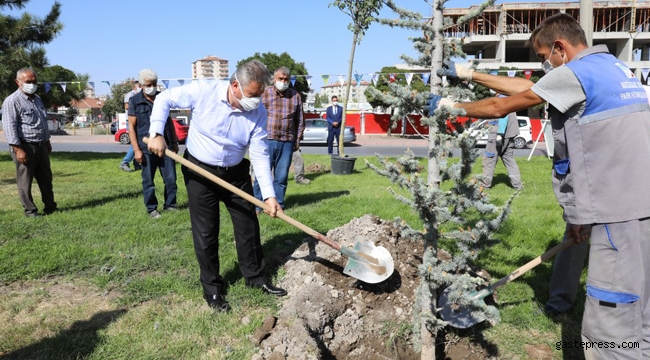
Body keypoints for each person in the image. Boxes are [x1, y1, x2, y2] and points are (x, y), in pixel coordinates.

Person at [430, 13, 650, 359]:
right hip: (640, 202)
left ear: (560, 49)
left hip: (615, 213)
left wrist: (450, 106)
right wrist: (470, 74)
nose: (543, 64)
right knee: (641, 309)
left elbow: (501, 106)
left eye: (543, 56)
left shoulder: (577, 74)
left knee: (612, 319)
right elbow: (530, 89)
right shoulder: (615, 69)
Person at [147, 60, 286, 312]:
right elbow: (164, 99)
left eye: (259, 95)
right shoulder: (204, 90)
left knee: (247, 225)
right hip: (200, 171)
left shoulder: (258, 113)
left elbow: (259, 154)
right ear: (235, 85)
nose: (256, 101)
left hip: (235, 172)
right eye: (253, 95)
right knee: (206, 233)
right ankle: (212, 289)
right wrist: (157, 133)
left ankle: (254, 278)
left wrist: (268, 195)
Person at [2, 68, 57, 217]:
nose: (32, 84)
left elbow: (42, 122)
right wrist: (18, 149)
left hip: (41, 145)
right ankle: (30, 211)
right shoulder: (12, 101)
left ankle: (50, 207)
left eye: (34, 81)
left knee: (46, 178)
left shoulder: (37, 98)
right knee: (25, 181)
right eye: (28, 82)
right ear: (18, 82)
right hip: (24, 146)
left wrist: (47, 141)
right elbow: (9, 126)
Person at [253, 66, 307, 212]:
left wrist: (297, 141)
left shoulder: (295, 96)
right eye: (280, 79)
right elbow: (255, 115)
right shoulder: (264, 93)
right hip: (266, 140)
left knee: (281, 177)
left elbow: (300, 120)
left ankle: (279, 205)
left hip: (287, 141)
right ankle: (257, 205)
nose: (283, 82)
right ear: (274, 79)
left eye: (286, 79)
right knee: (261, 174)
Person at [127, 69, 178, 219]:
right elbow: (131, 127)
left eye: (154, 84)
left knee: (171, 179)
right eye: (149, 84)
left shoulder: (162, 98)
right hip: (146, 148)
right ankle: (152, 209)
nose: (152, 87)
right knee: (148, 181)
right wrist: (136, 150)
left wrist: (174, 141)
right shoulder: (134, 101)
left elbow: (169, 121)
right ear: (142, 85)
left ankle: (170, 205)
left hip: (166, 146)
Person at [481, 100, 523, 189]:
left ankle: (485, 185)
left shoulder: (502, 100)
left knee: (489, 159)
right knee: (510, 160)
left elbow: (503, 116)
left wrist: (500, 134)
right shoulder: (510, 99)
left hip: (498, 135)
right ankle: (518, 186)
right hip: (510, 135)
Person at [119, 80, 141, 172]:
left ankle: (136, 163)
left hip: (137, 120)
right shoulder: (130, 95)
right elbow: (127, 106)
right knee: (134, 142)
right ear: (135, 87)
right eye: (140, 85)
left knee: (138, 142)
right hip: (131, 120)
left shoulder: (137, 95)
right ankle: (125, 162)